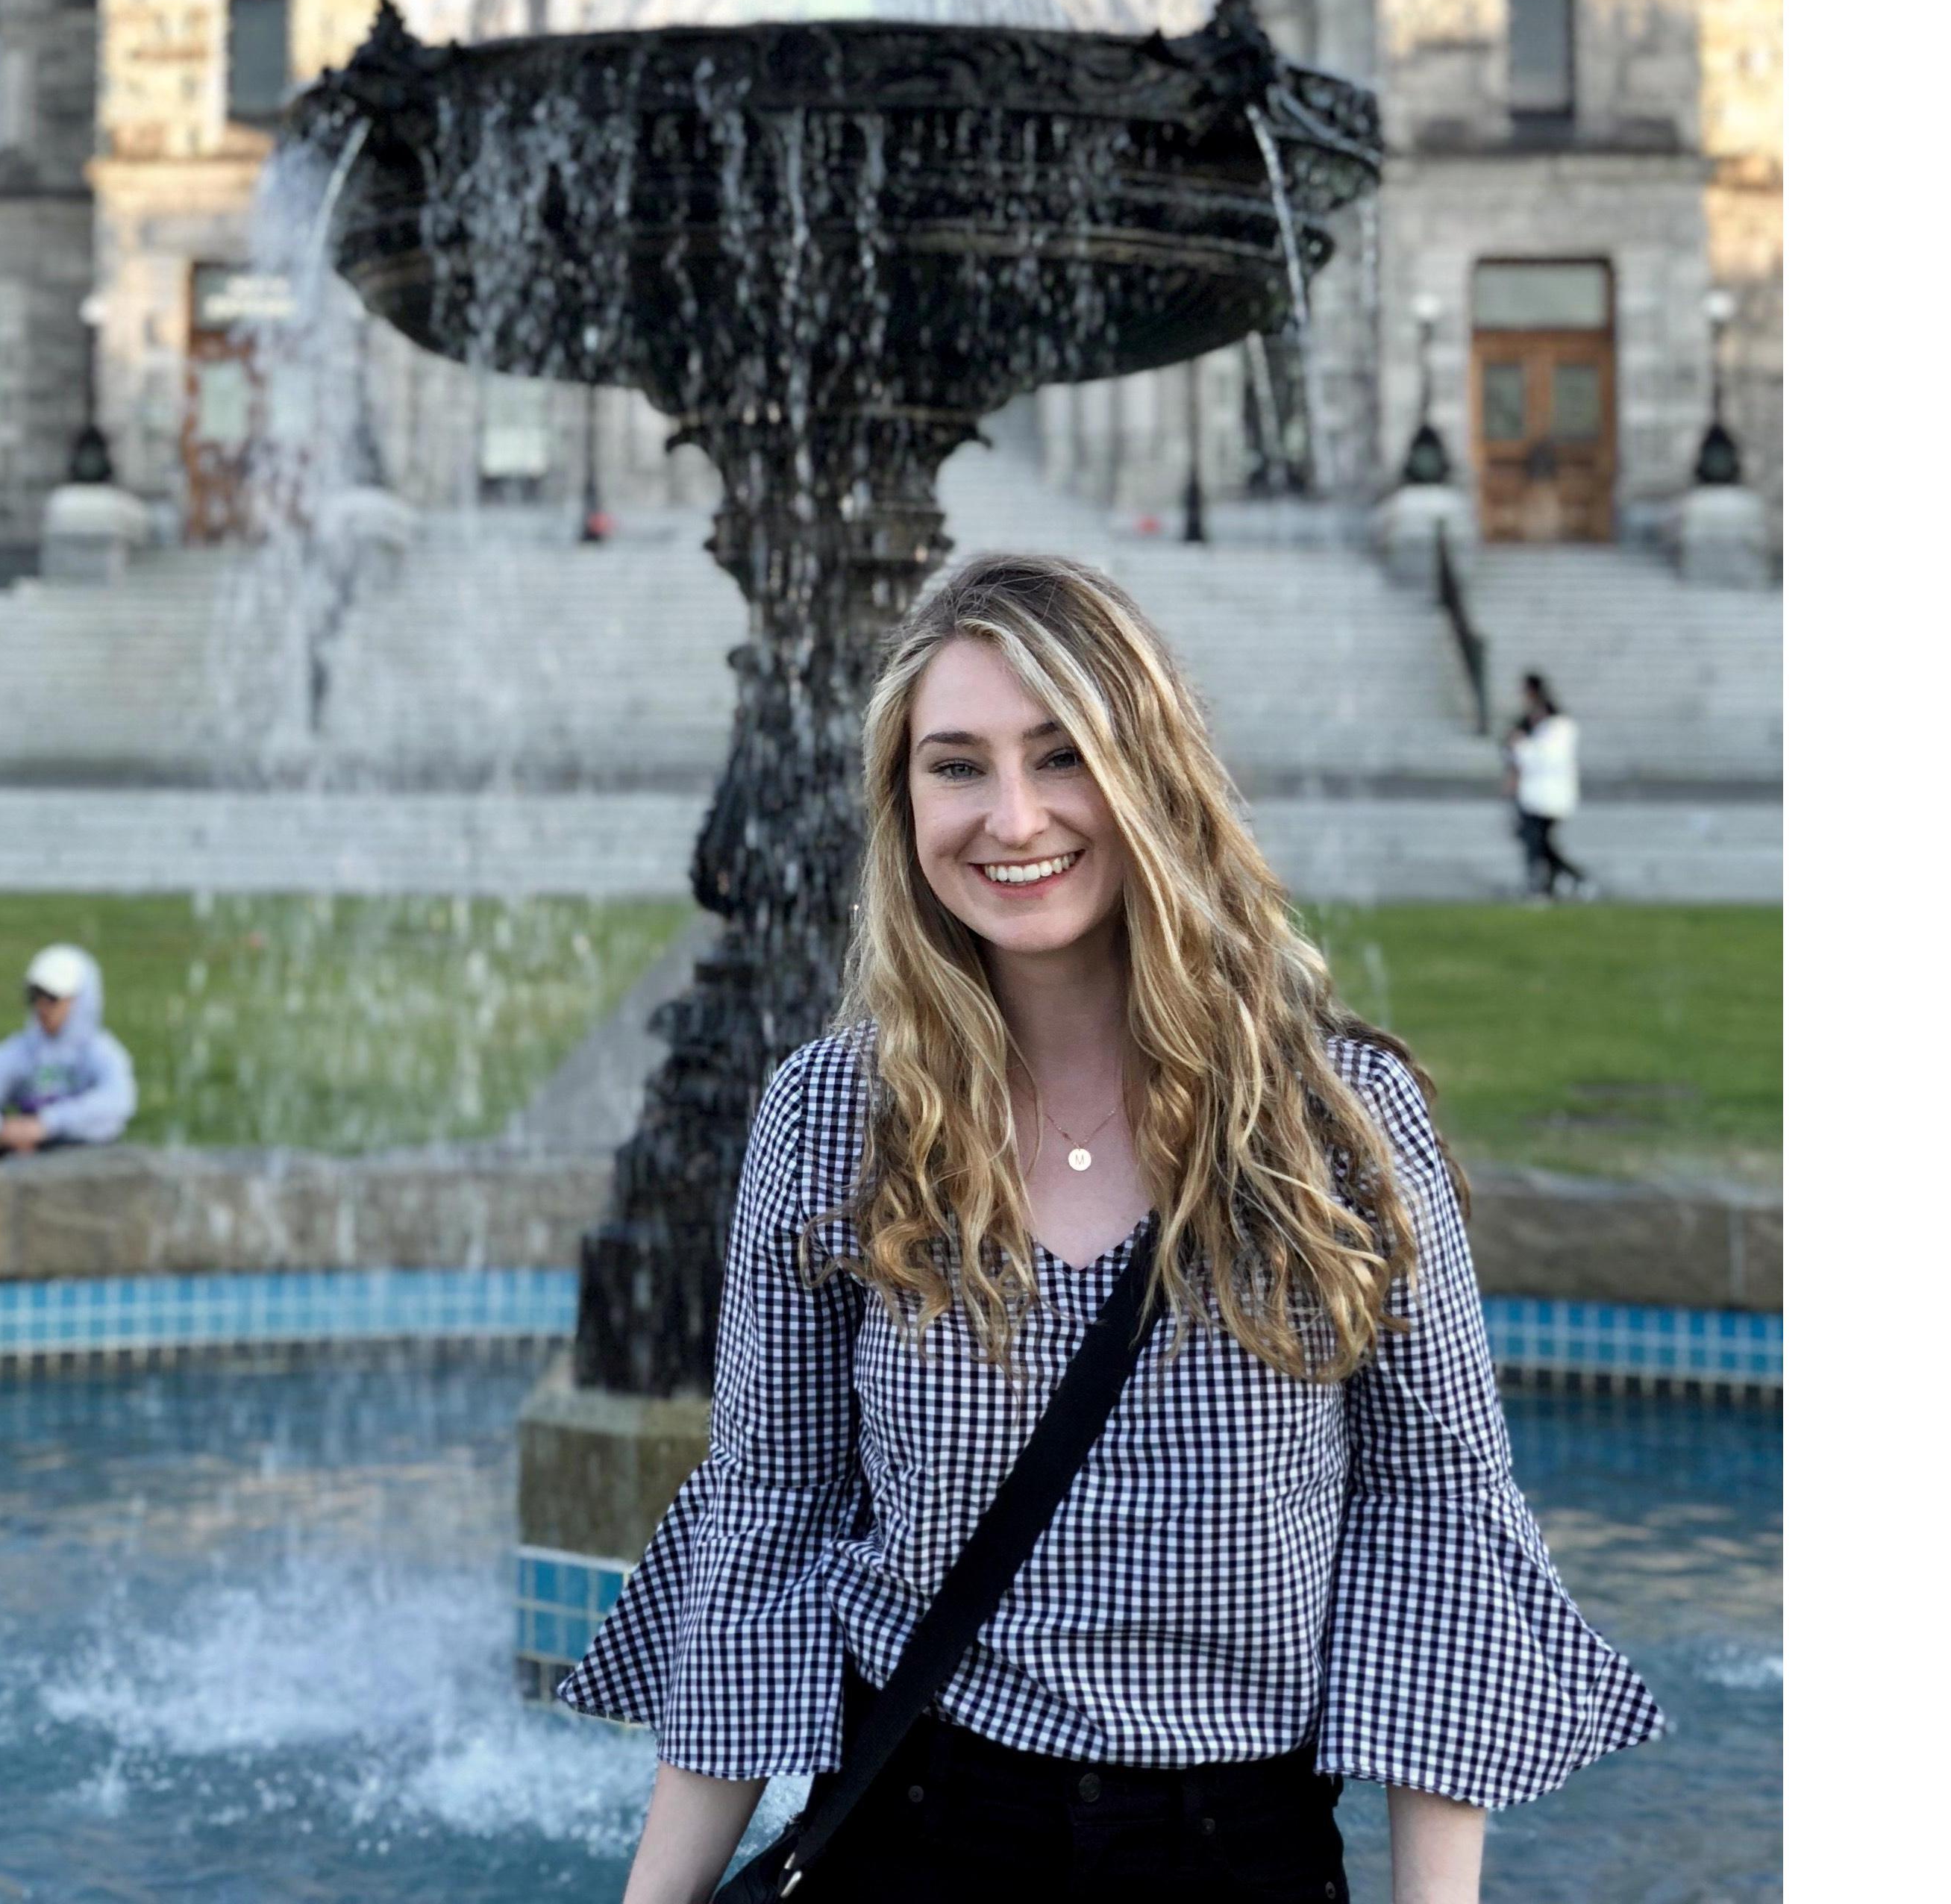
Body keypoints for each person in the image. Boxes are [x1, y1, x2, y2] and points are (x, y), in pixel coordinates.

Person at [563, 553, 1662, 1904]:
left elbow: (1432, 1519)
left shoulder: (1337, 1119)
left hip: (1233, 1852)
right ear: (901, 801)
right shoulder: (830, 1118)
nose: (1010, 815)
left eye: (1061, 753)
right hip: (914, 1838)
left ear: (1151, 771)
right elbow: (766, 1521)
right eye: (954, 765)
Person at [0, 943, 137, 1156]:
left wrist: (47, 1125)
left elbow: (118, 1101)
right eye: (35, 996)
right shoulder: (22, 1050)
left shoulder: (101, 1051)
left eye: (53, 998)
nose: (42, 1007)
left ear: (81, 1000)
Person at [1505, 672, 1591, 900]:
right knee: (1540, 843)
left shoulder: (1560, 727)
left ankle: (1551, 884)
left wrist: (1520, 745)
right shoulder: (1533, 727)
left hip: (1549, 796)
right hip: (1534, 795)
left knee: (1538, 843)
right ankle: (1560, 882)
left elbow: (1543, 759)